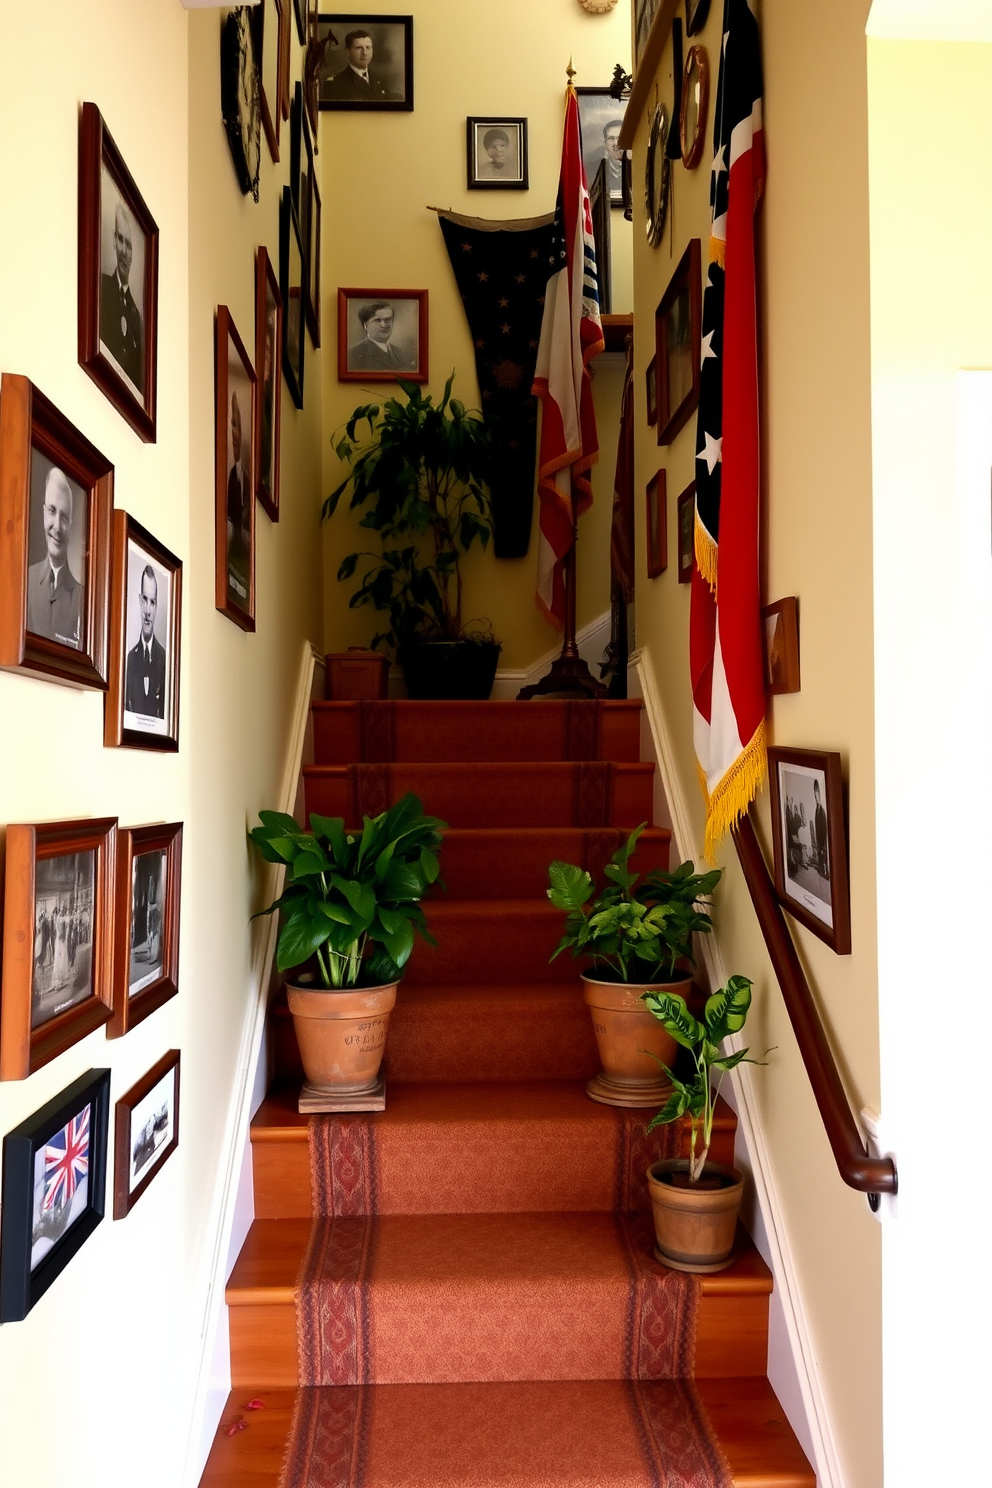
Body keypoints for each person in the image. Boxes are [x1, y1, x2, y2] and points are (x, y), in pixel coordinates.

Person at [26, 466, 83, 649]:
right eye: (52, 511)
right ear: (43, 513)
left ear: (71, 527)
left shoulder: (83, 599)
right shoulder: (24, 581)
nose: (57, 526)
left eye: (64, 517)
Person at [99, 201, 143, 392]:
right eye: (121, 241)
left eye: (130, 246)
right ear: (114, 240)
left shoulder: (136, 316)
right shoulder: (102, 288)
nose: (125, 252)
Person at [124, 565, 167, 719]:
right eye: (145, 600)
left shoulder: (163, 659)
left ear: (156, 607)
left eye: (153, 602)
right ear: (140, 600)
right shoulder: (130, 658)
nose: (148, 610)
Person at [323, 29, 392, 102]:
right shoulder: (335, 84)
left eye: (368, 47)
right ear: (348, 52)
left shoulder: (380, 79)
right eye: (359, 48)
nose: (364, 52)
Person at [227, 391, 250, 598]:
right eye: (230, 425)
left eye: (235, 424)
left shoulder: (246, 481)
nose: (232, 432)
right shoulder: (231, 478)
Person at [349, 301, 416, 372]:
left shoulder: (403, 355)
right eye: (377, 320)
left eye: (387, 320)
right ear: (365, 325)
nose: (384, 325)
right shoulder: (353, 356)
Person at [811, 779, 829, 879]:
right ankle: (822, 869)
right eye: (815, 795)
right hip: (819, 840)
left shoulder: (821, 810)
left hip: (822, 840)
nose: (816, 797)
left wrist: (822, 844)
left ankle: (824, 871)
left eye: (817, 794)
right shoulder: (816, 810)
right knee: (820, 856)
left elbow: (823, 828)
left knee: (823, 855)